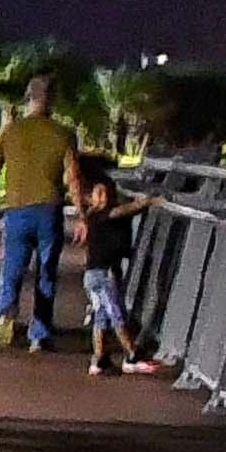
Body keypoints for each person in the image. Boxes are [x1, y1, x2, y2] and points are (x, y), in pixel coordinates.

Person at [0, 75, 80, 352]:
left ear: (28, 97)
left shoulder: (10, 132)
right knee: (46, 272)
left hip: (16, 209)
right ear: (52, 99)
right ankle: (39, 332)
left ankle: (6, 310)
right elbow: (73, 178)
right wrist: (83, 215)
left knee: (12, 266)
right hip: (49, 209)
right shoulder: (63, 134)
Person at [73, 150, 146, 374]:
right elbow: (124, 210)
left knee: (101, 314)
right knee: (115, 312)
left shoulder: (90, 217)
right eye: (99, 193)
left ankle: (98, 358)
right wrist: (148, 201)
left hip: (91, 275)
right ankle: (131, 354)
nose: (102, 197)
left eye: (104, 193)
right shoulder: (103, 215)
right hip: (103, 274)